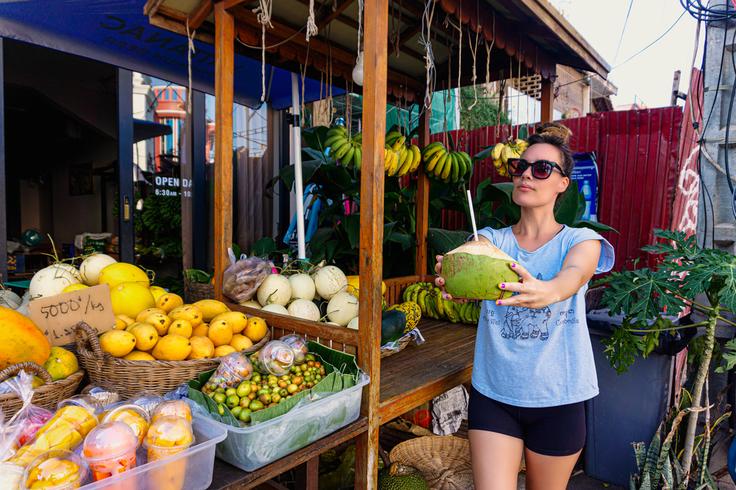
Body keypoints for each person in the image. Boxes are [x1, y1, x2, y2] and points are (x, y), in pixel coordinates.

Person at [435, 123, 615, 490]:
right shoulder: (490, 240)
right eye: (521, 167)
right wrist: (454, 275)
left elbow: (575, 275)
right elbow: (469, 268)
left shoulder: (582, 240)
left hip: (559, 399)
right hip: (495, 396)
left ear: (563, 182)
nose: (527, 175)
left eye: (542, 168)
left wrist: (548, 291)